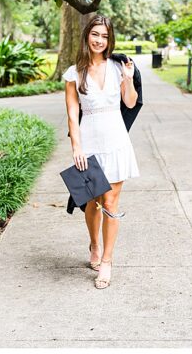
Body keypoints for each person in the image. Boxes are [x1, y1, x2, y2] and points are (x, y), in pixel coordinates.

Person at [64, 15, 139, 289]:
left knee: (110, 203)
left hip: (116, 139)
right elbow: (73, 113)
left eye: (105, 36)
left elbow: (130, 103)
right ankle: (94, 244)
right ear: (87, 36)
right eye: (95, 34)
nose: (99, 40)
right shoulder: (75, 73)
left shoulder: (119, 67)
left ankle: (106, 261)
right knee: (93, 201)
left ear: (110, 40)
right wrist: (77, 147)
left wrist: (128, 79)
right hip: (90, 141)